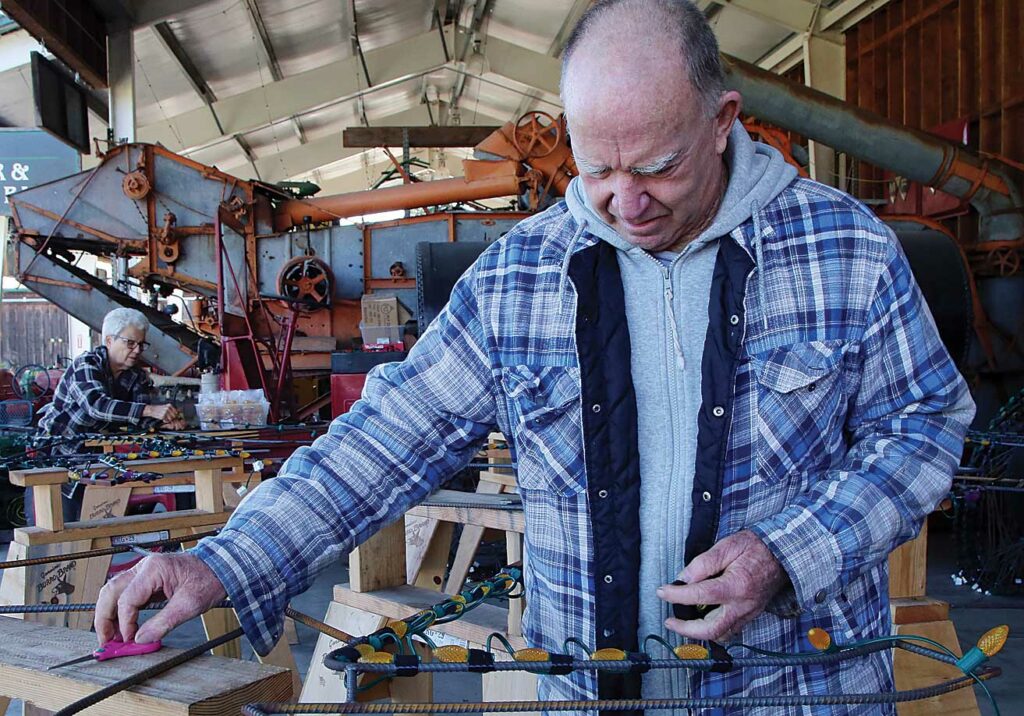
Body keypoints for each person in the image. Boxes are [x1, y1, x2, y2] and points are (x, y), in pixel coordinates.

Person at [96, 1, 974, 713]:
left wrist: (788, 549)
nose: (626, 202)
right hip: (586, 692)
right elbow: (383, 441)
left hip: (799, 691)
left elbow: (927, 425)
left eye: (660, 168)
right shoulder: (519, 279)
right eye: (596, 169)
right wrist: (227, 559)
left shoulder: (844, 250)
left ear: (722, 123)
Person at [38, 307, 186, 445]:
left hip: (97, 447)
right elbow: (97, 406)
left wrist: (163, 423)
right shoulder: (86, 365)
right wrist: (151, 410)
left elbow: (139, 418)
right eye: (130, 343)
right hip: (58, 446)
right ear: (109, 341)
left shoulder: (136, 375)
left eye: (141, 344)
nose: (137, 350)